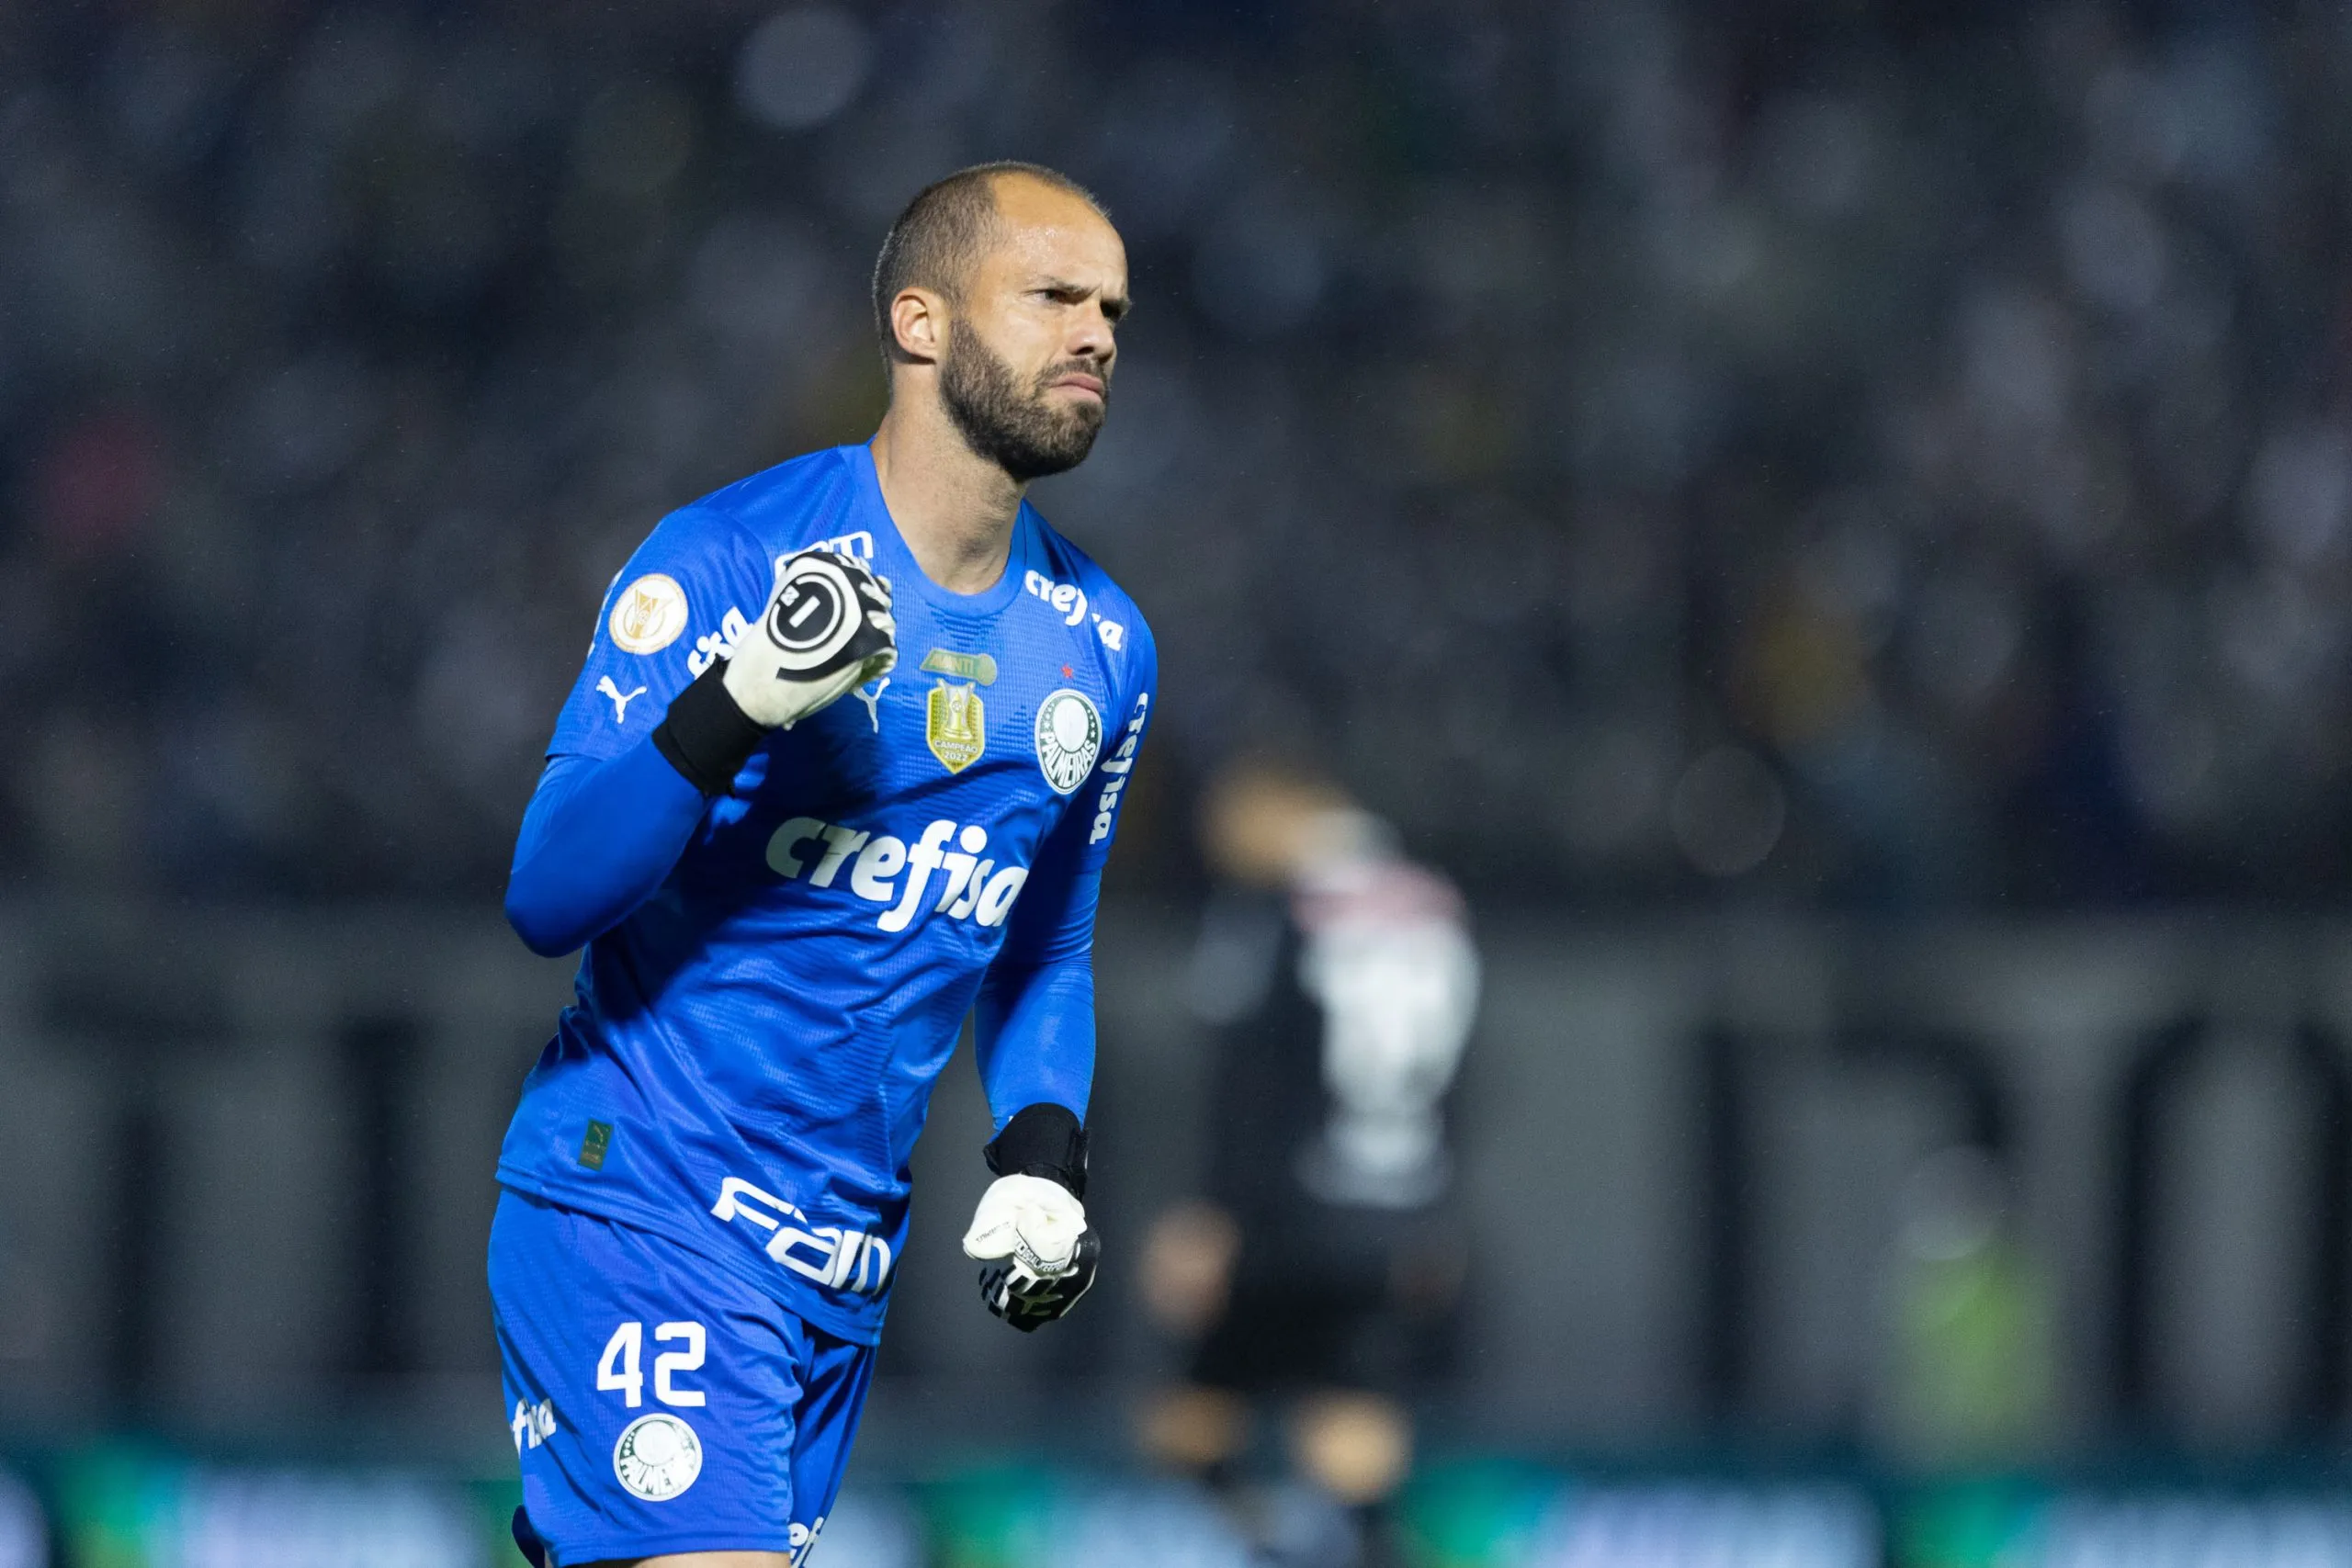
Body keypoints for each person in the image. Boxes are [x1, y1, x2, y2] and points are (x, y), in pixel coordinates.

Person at [488, 163, 1154, 1568]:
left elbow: (1045, 946)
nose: (1096, 331)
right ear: (922, 323)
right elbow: (546, 895)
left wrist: (1044, 1147)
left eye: (1111, 307)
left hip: (839, 1270)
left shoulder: (1100, 644)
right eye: (1051, 296)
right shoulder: (731, 559)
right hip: (643, 1200)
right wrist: (730, 702)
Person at [1138, 761, 1477, 1567]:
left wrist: (1214, 1210)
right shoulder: (1433, 903)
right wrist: (1440, 1208)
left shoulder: (1281, 905)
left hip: (1288, 1205)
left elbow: (1255, 1073)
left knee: (1192, 1417)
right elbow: (1464, 1069)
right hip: (1399, 1201)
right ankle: (1353, 1548)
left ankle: (1279, 1546)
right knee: (1353, 1414)